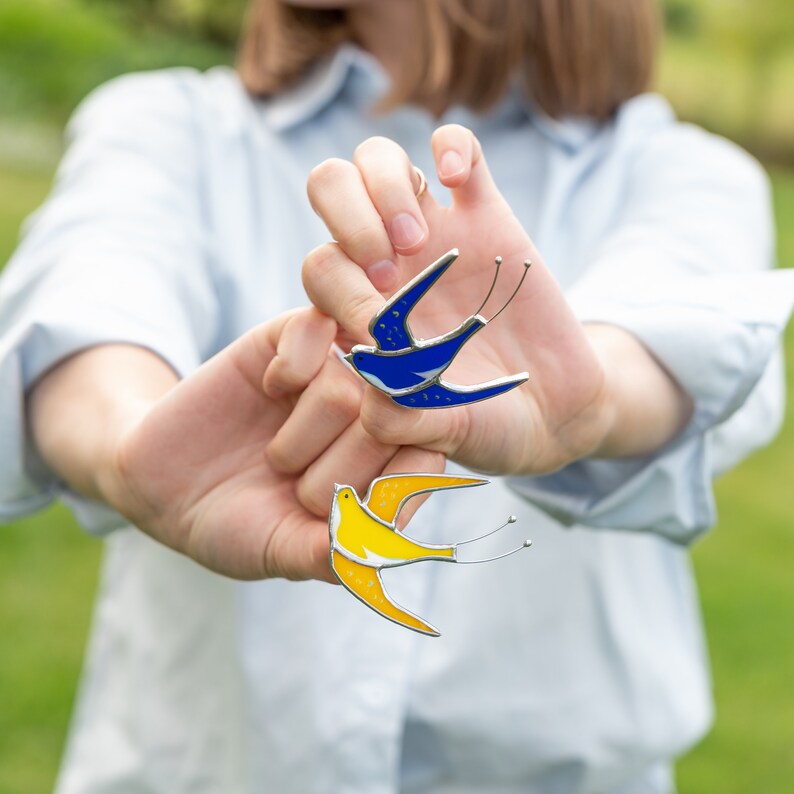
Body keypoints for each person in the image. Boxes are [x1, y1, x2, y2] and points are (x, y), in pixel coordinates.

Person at [1, 0, 793, 791]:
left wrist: (589, 404)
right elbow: (85, 311)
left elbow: (681, 348)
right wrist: (127, 443)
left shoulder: (680, 174)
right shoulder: (172, 127)